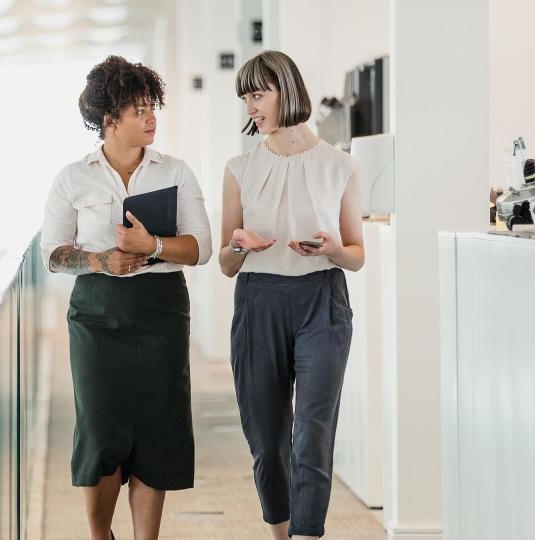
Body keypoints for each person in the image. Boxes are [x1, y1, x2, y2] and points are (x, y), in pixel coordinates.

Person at [39, 55, 212, 540]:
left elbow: (200, 247)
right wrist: (101, 261)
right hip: (96, 313)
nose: (151, 118)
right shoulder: (73, 178)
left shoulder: (175, 172)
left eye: (152, 107)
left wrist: (152, 246)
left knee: (157, 431)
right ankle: (100, 535)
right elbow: (52, 254)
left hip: (162, 311)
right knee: (99, 430)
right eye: (139, 110)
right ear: (109, 120)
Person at [218, 50, 365, 540]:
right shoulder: (239, 168)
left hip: (322, 300)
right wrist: (238, 246)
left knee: (313, 433)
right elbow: (224, 262)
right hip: (258, 300)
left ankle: (307, 533)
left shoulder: (340, 166)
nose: (250, 109)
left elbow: (357, 254)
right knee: (267, 438)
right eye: (245, 100)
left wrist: (333, 249)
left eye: (257, 96)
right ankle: (279, 532)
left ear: (286, 90)